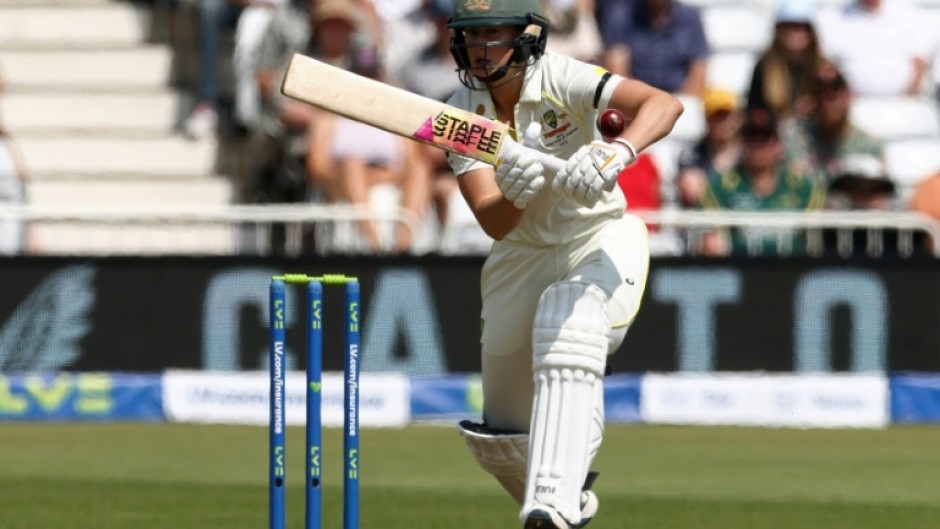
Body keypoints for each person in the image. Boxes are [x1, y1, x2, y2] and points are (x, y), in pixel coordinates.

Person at [442, 1, 683, 528]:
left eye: (492, 33)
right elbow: (495, 222)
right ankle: (571, 500)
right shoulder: (458, 115)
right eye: (469, 34)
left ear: (527, 36)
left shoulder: (561, 76)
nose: (479, 47)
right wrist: (516, 193)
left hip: (595, 236)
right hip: (518, 255)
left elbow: (664, 105)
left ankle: (551, 499)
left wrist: (617, 151)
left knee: (569, 323)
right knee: (500, 440)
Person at [698, 110, 825, 256]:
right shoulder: (721, 185)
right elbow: (710, 239)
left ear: (778, 144)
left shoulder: (803, 186)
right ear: (743, 143)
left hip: (794, 270)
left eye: (765, 138)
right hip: (738, 270)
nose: (759, 146)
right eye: (752, 138)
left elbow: (818, 235)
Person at [781, 63, 885, 185]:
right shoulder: (795, 139)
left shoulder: (869, 145)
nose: (830, 98)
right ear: (813, 98)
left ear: (849, 95)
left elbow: (881, 195)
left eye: (836, 89)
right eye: (822, 91)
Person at [815, 0, 931, 96]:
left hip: (901, 108)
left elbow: (920, 64)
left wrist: (908, 99)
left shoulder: (909, 16)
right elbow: (825, 66)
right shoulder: (832, 17)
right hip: (850, 108)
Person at [596, 0, 709, 95]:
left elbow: (698, 73)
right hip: (637, 103)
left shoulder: (690, 19)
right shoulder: (621, 15)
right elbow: (618, 74)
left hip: (681, 102)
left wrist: (677, 107)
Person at [746, 0, 824, 124]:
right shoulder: (764, 68)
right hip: (775, 138)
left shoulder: (825, 69)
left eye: (801, 27)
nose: (795, 33)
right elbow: (755, 115)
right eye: (789, 26)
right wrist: (790, 116)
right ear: (778, 30)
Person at [676, 87, 744, 208]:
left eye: (728, 115)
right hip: (703, 221)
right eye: (717, 116)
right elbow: (692, 194)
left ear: (738, 118)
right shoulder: (691, 155)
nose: (724, 122)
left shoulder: (750, 153)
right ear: (707, 119)